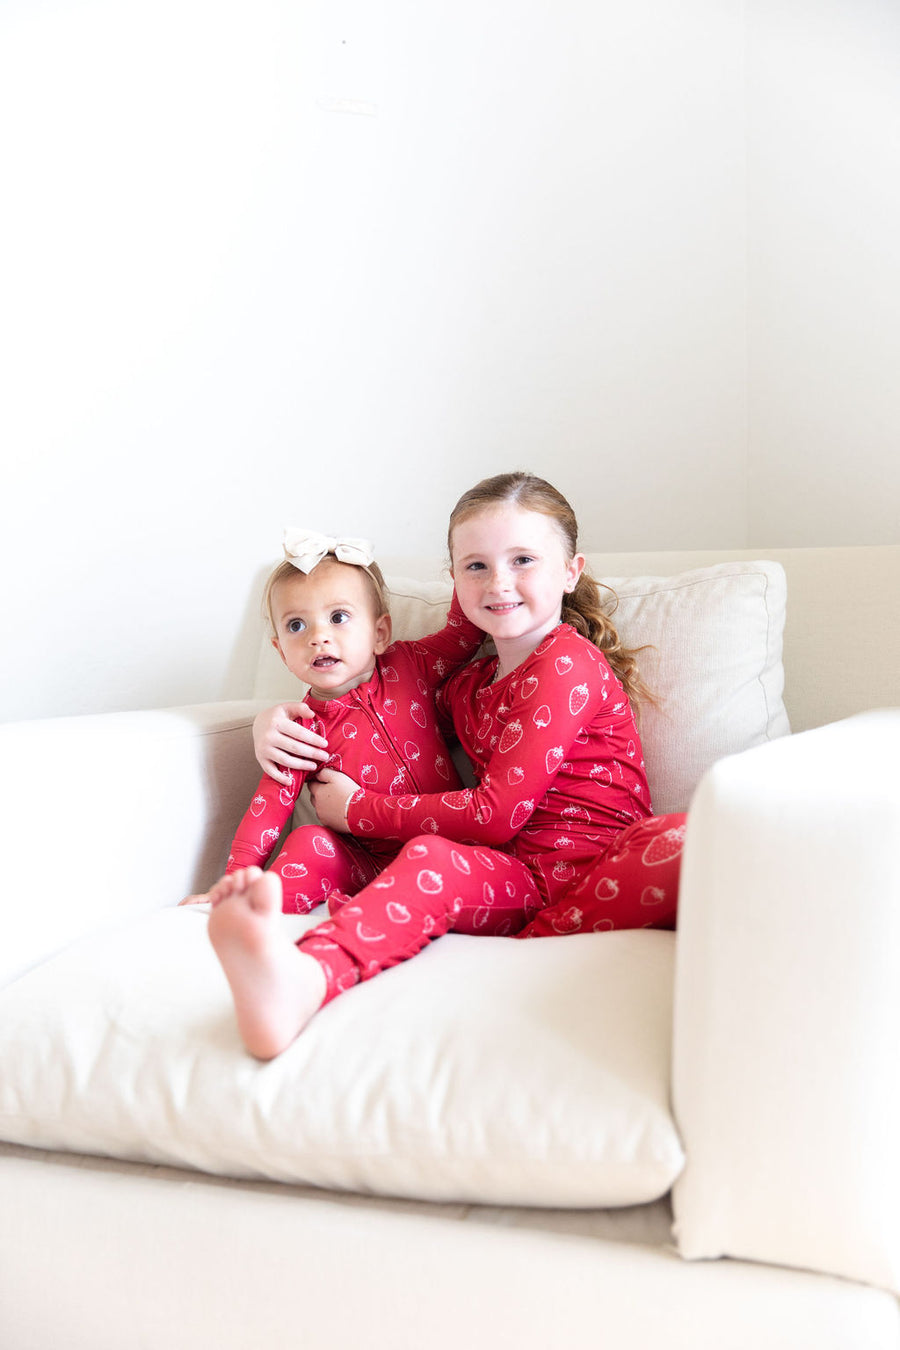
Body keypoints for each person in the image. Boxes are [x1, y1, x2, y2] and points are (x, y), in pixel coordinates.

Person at [207, 474, 686, 1059]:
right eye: (476, 566)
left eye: (523, 560)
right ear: (456, 581)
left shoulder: (567, 662)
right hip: (518, 882)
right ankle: (298, 974)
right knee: (428, 860)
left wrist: (357, 810)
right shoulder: (466, 687)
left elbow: (496, 814)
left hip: (597, 870)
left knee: (698, 837)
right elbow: (375, 714)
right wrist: (268, 722)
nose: (499, 582)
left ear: (570, 571)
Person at [182, 528, 484, 913]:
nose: (318, 636)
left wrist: (468, 564)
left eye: (338, 617)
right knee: (309, 841)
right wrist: (234, 878)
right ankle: (247, 909)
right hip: (369, 867)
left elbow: (463, 633)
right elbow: (267, 809)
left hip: (451, 849)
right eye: (296, 625)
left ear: (380, 633)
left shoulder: (412, 664)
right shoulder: (303, 730)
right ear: (281, 652)